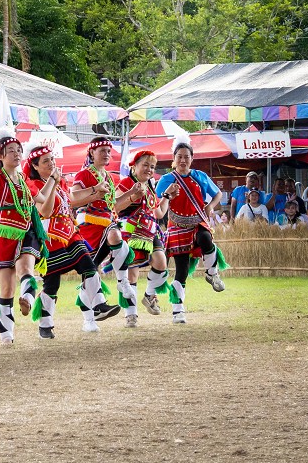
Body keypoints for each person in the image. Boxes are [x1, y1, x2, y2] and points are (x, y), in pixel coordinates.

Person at [0, 130, 57, 346]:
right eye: (11, 151)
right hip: (3, 232)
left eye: (19, 150)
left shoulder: (23, 178)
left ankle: (28, 298)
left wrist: (53, 181)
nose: (17, 154)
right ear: (0, 155)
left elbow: (40, 198)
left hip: (27, 229)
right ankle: (6, 334)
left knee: (27, 269)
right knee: (7, 288)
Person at [23, 143, 116, 337]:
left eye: (52, 159)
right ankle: (45, 324)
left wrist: (94, 190)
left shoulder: (60, 181)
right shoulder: (34, 186)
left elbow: (71, 198)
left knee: (88, 265)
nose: (51, 163)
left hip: (70, 232)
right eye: (45, 161)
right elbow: (45, 211)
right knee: (52, 283)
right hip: (50, 238)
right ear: (35, 166)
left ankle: (99, 305)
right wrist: (53, 183)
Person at [155, 135, 228, 324]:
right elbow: (156, 201)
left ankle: (212, 273)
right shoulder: (166, 179)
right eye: (179, 156)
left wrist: (210, 206)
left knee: (206, 239)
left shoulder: (200, 176)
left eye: (186, 156)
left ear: (192, 158)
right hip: (177, 227)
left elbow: (218, 193)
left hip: (198, 222)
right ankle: (177, 310)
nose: (183, 160)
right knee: (182, 270)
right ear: (174, 158)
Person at [70, 137, 140, 311]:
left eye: (108, 151)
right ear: (91, 153)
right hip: (90, 224)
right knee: (91, 269)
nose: (106, 154)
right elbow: (73, 199)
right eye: (102, 150)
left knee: (115, 239)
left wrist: (132, 194)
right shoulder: (83, 174)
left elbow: (113, 206)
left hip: (107, 223)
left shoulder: (109, 177)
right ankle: (91, 316)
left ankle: (121, 282)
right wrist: (94, 194)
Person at [116, 150, 175, 328]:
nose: (149, 169)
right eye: (145, 165)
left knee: (161, 262)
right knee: (132, 273)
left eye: (152, 167)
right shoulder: (126, 183)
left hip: (149, 231)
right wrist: (133, 195)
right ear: (134, 166)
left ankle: (149, 295)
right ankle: (131, 314)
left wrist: (166, 196)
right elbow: (115, 207)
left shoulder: (150, 185)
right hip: (130, 231)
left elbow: (157, 212)